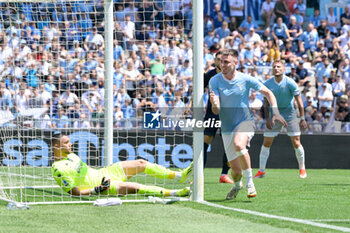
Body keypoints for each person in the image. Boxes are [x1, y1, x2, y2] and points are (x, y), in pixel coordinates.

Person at [209, 49, 287, 200]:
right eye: (221, 62)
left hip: (246, 122)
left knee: (239, 144)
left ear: (235, 63)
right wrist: (215, 104)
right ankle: (237, 185)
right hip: (226, 128)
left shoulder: (245, 79)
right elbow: (216, 109)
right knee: (236, 173)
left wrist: (276, 112)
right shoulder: (215, 81)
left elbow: (269, 93)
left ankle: (250, 183)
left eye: (226, 62)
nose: (222, 65)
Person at [52, 134, 193, 197]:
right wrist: (97, 190)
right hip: (102, 185)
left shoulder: (71, 155)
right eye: (66, 142)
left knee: (141, 163)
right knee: (136, 187)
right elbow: (74, 192)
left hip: (104, 172)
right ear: (56, 146)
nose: (70, 144)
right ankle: (176, 193)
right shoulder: (58, 169)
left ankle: (180, 176)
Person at [254, 59, 307, 179]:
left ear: (283, 69)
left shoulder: (290, 83)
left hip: (289, 114)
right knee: (266, 142)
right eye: (274, 67)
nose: (276, 69)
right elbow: (266, 102)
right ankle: (261, 171)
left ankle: (302, 169)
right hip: (274, 115)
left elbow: (299, 101)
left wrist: (302, 118)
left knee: (296, 142)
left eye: (278, 67)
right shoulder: (267, 84)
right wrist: (267, 118)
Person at [203, 51, 233, 184]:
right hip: (211, 113)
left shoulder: (230, 75)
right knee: (203, 144)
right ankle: (198, 175)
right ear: (215, 61)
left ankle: (224, 174)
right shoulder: (209, 75)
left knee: (228, 144)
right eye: (218, 59)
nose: (221, 62)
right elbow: (198, 89)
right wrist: (191, 104)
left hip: (226, 114)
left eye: (223, 60)